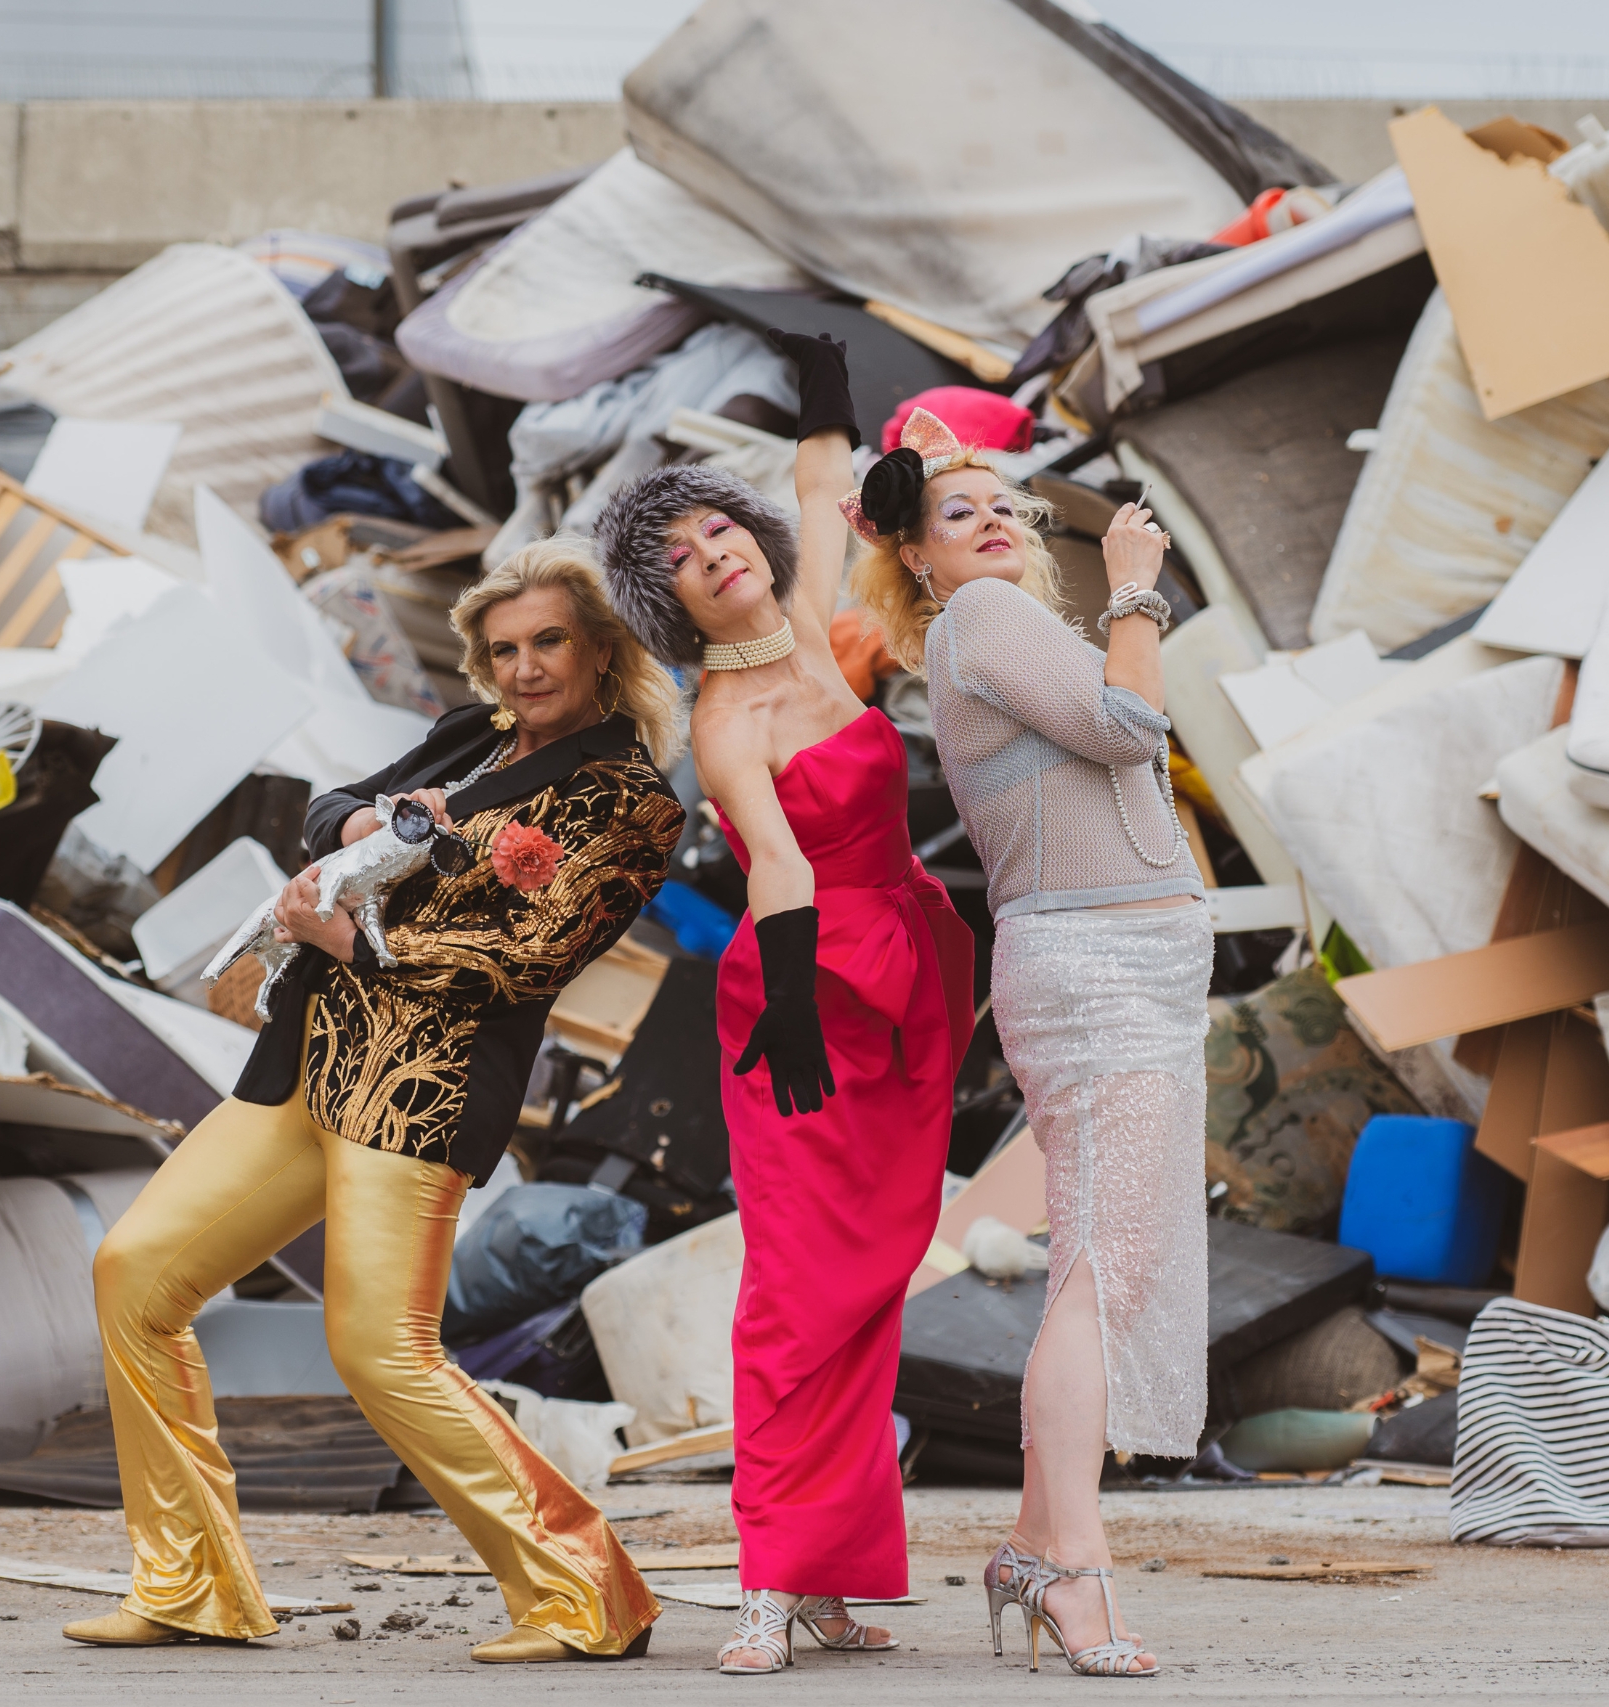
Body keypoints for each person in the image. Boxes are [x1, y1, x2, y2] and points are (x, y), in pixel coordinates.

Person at [72, 541, 685, 1663]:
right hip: (308, 1062)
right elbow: (334, 806)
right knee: (135, 1276)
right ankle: (187, 1583)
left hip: (421, 1087)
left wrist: (359, 933)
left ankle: (588, 1591)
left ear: (600, 647)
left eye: (548, 641)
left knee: (378, 1350)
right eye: (503, 650)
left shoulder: (629, 801)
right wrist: (357, 831)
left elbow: (528, 959)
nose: (525, 668)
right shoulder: (476, 737)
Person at [594, 335, 973, 1676]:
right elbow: (776, 857)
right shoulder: (725, 715)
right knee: (798, 1292)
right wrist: (800, 995)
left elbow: (822, 483)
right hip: (800, 985)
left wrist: (825, 378)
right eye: (688, 560)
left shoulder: (812, 620)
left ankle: (832, 1576)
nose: (717, 554)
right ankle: (767, 1575)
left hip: (904, 969)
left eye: (718, 529)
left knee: (872, 1283)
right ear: (673, 605)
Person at [850, 406, 1209, 1678]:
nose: (994, 517)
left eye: (1003, 501)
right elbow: (1127, 729)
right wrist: (1135, 595)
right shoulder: (988, 622)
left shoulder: (998, 629)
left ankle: (1030, 1544)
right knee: (1108, 1269)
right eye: (958, 512)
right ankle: (1074, 1570)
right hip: (1096, 971)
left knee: (1101, 1263)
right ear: (916, 557)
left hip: (1124, 968)